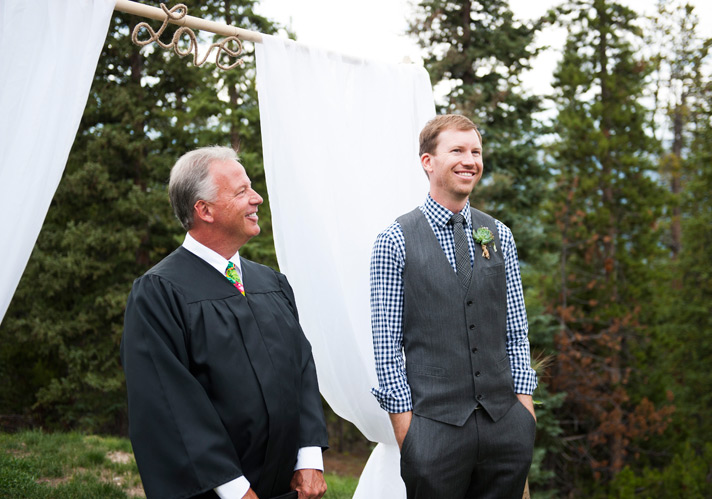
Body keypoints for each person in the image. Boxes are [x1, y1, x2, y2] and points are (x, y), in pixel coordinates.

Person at [121, 146, 328, 499]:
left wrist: (309, 457)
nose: (257, 198)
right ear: (204, 210)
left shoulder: (271, 283)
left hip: (289, 487)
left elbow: (302, 368)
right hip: (216, 491)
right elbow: (168, 403)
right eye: (241, 191)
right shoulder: (159, 293)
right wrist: (233, 489)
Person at [370, 115, 537, 499]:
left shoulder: (499, 235)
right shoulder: (395, 240)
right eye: (457, 150)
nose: (470, 160)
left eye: (476, 151)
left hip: (505, 427)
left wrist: (524, 414)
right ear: (428, 161)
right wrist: (409, 434)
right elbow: (386, 346)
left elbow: (515, 330)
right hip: (433, 432)